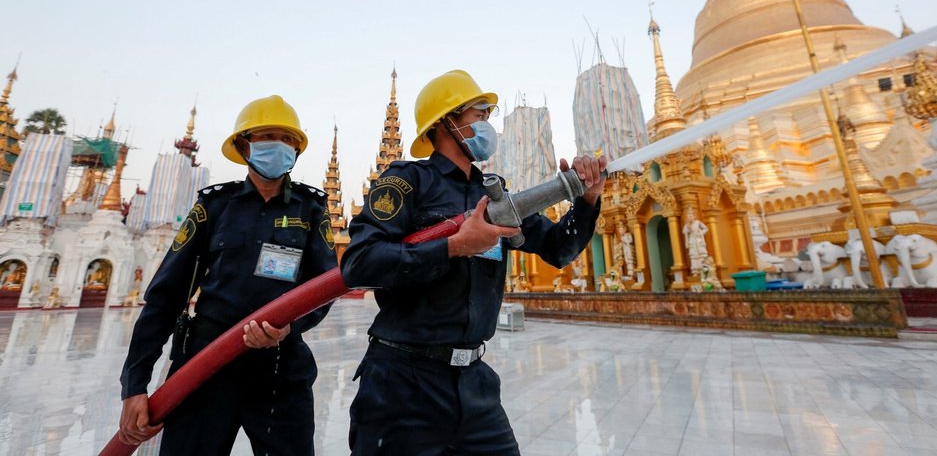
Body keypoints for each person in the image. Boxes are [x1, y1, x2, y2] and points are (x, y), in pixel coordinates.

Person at [341, 69, 606, 456]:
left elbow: (557, 248)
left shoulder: (495, 196)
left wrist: (587, 201)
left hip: (474, 383)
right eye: (479, 114)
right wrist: (453, 246)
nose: (487, 124)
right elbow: (359, 263)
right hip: (402, 383)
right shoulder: (407, 181)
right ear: (447, 122)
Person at [117, 95, 338, 456]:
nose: (279, 147)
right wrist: (134, 385)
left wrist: (290, 327)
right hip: (206, 366)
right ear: (243, 145)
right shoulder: (215, 207)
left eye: (287, 140)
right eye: (268, 137)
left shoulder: (312, 210)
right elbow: (165, 298)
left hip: (281, 371)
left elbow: (324, 288)